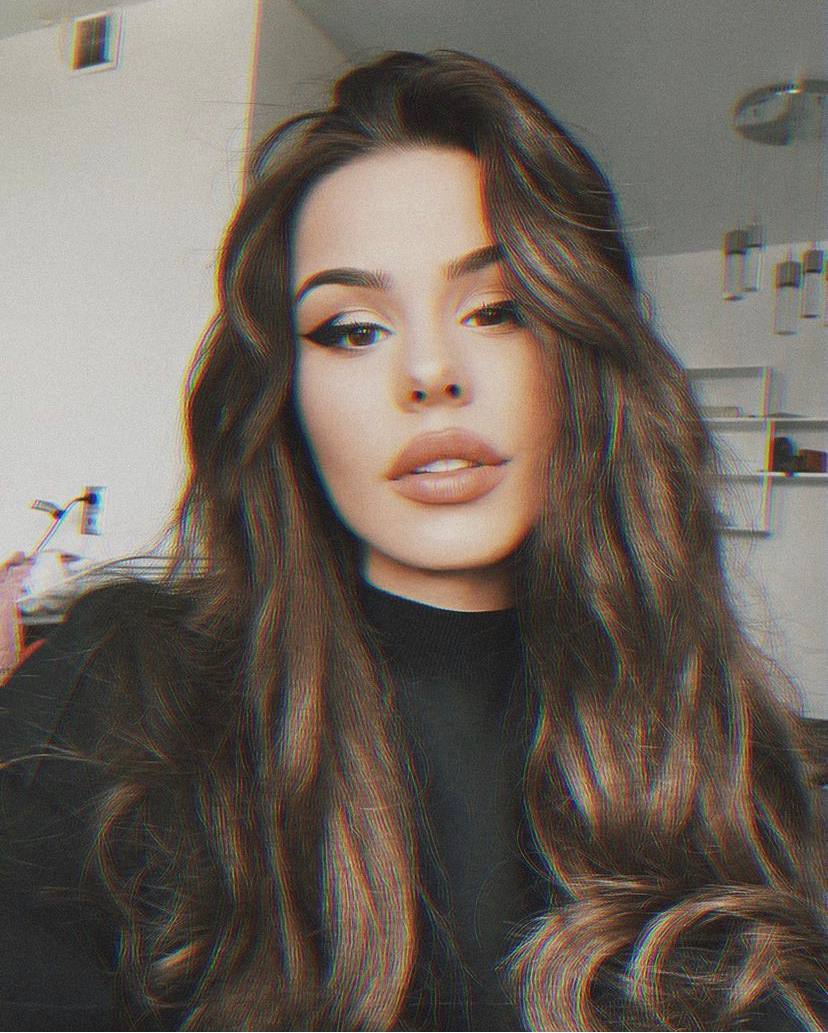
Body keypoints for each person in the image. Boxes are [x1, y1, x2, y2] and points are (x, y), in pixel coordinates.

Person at [0, 49, 825, 1032]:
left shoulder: (727, 747)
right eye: (353, 329)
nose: (432, 372)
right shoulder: (116, 695)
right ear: (285, 399)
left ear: (583, 360)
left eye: (499, 310)